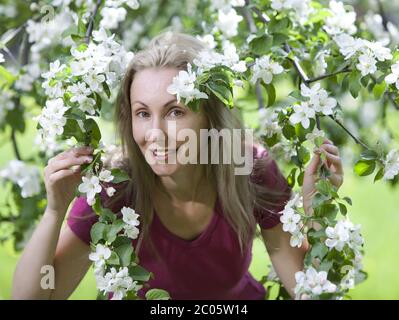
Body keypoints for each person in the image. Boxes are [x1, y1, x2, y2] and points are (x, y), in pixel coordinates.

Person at [12, 31, 344, 300]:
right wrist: (54, 212)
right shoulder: (113, 184)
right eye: (143, 114)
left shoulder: (249, 168)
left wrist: (315, 208)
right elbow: (37, 295)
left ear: (210, 117)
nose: (155, 134)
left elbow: (306, 290)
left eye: (175, 112)